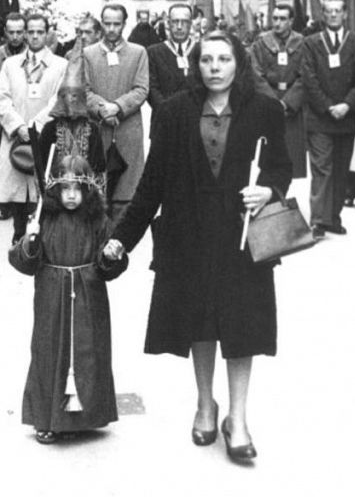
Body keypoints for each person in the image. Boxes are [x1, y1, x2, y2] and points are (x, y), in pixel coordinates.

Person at [104, 31, 292, 462]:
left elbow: (281, 167)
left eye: (224, 59)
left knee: (243, 327)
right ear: (196, 64)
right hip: (189, 234)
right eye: (206, 59)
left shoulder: (264, 110)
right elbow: (151, 185)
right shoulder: (172, 113)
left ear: (238, 64)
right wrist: (119, 239)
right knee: (201, 323)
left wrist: (268, 191)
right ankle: (206, 405)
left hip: (242, 237)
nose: (215, 67)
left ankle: (238, 419)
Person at [9, 155, 127, 444]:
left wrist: (111, 256)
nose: (72, 194)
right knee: (49, 351)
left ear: (87, 190)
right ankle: (46, 418)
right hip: (52, 295)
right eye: (65, 188)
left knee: (89, 352)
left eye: (77, 188)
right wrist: (30, 242)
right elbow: (23, 262)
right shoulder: (44, 219)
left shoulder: (97, 220)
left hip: (89, 297)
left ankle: (86, 417)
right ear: (55, 190)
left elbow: (110, 265)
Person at [0, 13, 67, 243]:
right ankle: (18, 232)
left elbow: (58, 98)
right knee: (16, 184)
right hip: (17, 132)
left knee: (42, 182)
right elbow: (2, 99)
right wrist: (18, 126)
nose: (34, 36)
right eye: (30, 32)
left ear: (47, 33)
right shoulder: (10, 64)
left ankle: (41, 232)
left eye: (39, 32)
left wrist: (36, 126)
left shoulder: (60, 65)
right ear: (25, 33)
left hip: (45, 133)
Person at [302, 0, 355, 237]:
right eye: (329, 11)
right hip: (320, 118)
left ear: (345, 13)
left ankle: (333, 218)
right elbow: (309, 79)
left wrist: (347, 105)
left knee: (340, 170)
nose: (333, 15)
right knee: (322, 169)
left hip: (347, 118)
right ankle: (318, 220)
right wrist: (328, 107)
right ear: (323, 15)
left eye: (338, 11)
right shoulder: (311, 43)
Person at [84, 3, 149, 222]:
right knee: (97, 191)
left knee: (126, 192)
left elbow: (141, 89)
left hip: (127, 130)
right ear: (101, 23)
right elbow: (83, 90)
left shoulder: (138, 53)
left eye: (116, 24)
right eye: (107, 23)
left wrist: (118, 107)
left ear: (124, 24)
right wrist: (102, 108)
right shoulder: (88, 54)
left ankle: (118, 245)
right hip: (98, 130)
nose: (111, 29)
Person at [250, 3, 306, 178]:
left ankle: (285, 195)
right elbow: (255, 73)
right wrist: (273, 103)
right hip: (267, 101)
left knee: (291, 154)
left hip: (291, 105)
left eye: (282, 19)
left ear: (291, 21)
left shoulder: (303, 43)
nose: (277, 23)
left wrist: (287, 103)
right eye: (275, 18)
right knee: (265, 152)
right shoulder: (260, 43)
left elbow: (306, 75)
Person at [39, 38, 106, 177]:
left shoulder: (93, 130)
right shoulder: (50, 129)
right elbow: (41, 163)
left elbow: (99, 165)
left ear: (82, 98)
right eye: (66, 95)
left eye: (75, 95)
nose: (70, 99)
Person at [0, 12, 27, 221]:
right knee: (3, 160)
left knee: (26, 156)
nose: (16, 37)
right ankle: (5, 203)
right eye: (12, 32)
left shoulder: (31, 53)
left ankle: (28, 203)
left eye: (20, 32)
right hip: (0, 113)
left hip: (25, 113)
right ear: (5, 33)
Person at [147, 3, 193, 135]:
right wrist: (167, 111)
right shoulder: (154, 52)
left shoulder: (201, 51)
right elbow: (151, 88)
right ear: (168, 23)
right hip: (163, 124)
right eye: (175, 21)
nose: (179, 27)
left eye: (184, 22)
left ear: (191, 24)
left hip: (194, 125)